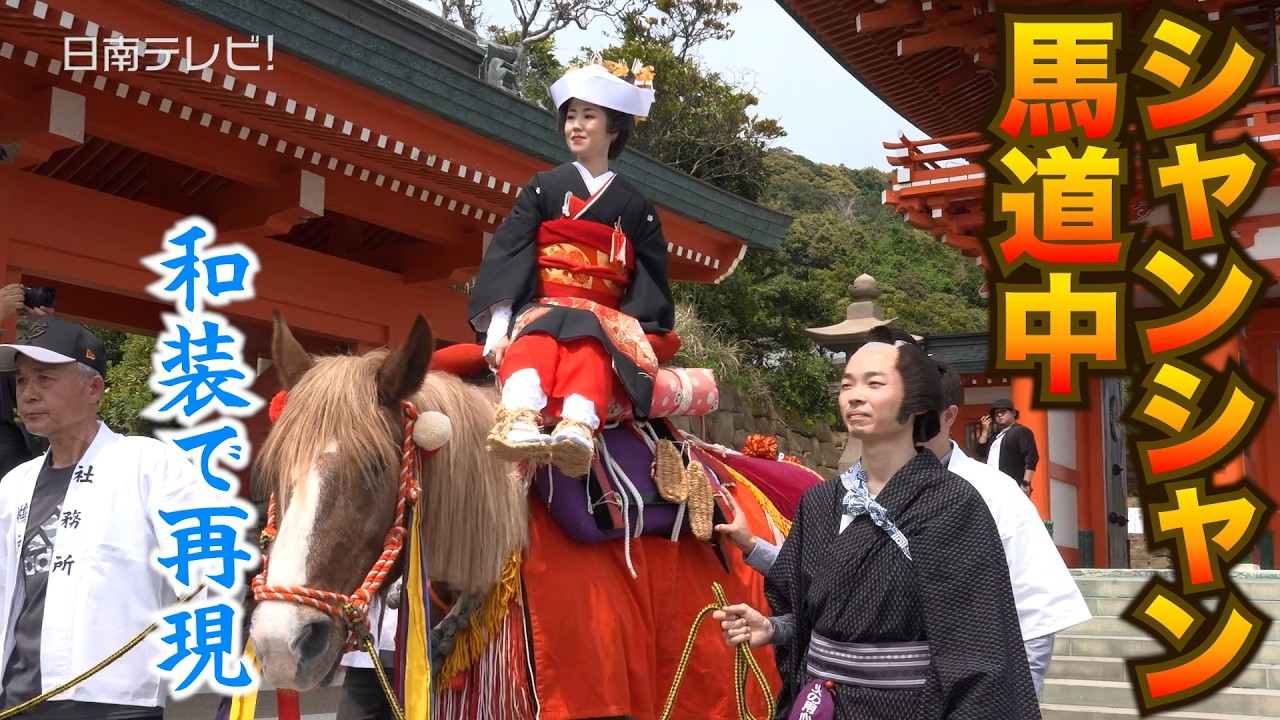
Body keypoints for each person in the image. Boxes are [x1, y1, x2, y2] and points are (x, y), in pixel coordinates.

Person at [715, 334, 1091, 699]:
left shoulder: (965, 500)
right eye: (846, 385)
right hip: (823, 701)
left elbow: (993, 641)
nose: (855, 395)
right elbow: (814, 602)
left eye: (874, 383)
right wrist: (774, 627)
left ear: (920, 404)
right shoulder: (819, 502)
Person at [0, 317, 224, 718]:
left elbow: (206, 568)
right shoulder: (15, 484)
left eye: (44, 379)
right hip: (18, 698)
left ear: (94, 388)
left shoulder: (148, 464)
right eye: (21, 380)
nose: (28, 394)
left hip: (114, 699)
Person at [466, 56, 675, 478]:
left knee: (592, 344)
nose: (575, 125)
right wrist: (499, 327)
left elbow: (649, 280)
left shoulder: (637, 207)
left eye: (588, 116)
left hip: (604, 317)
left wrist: (630, 331)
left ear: (614, 127)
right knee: (534, 337)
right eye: (571, 116)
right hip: (542, 304)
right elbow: (510, 253)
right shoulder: (543, 187)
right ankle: (520, 416)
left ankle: (578, 425)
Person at [976, 398, 1039, 497]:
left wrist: (1026, 483)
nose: (999, 415)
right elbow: (981, 452)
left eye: (1003, 411)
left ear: (1013, 413)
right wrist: (985, 431)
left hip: (1013, 484)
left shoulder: (1021, 431)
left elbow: (1031, 457)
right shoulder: (994, 436)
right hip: (991, 485)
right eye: (996, 413)